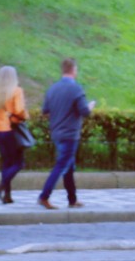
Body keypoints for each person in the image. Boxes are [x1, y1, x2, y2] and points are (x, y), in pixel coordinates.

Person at [37, 57, 93, 210]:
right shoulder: (76, 89)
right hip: (70, 134)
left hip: (56, 132)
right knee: (62, 165)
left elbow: (45, 111)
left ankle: (72, 199)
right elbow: (84, 112)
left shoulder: (53, 88)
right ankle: (44, 196)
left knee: (68, 166)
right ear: (74, 70)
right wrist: (90, 106)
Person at [0, 65, 28, 204]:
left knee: (6, 162)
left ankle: (7, 195)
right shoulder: (17, 91)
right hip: (12, 129)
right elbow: (19, 110)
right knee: (19, 163)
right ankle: (2, 184)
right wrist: (25, 114)